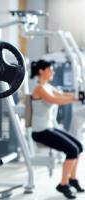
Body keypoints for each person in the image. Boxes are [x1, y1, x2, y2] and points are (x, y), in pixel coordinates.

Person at [30, 59, 84, 199]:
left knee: (79, 146)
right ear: (42, 71)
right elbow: (55, 100)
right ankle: (63, 184)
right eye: (50, 69)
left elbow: (62, 95)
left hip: (49, 127)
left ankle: (72, 179)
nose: (53, 71)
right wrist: (76, 99)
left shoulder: (48, 86)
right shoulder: (39, 88)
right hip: (40, 132)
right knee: (72, 150)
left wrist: (78, 95)